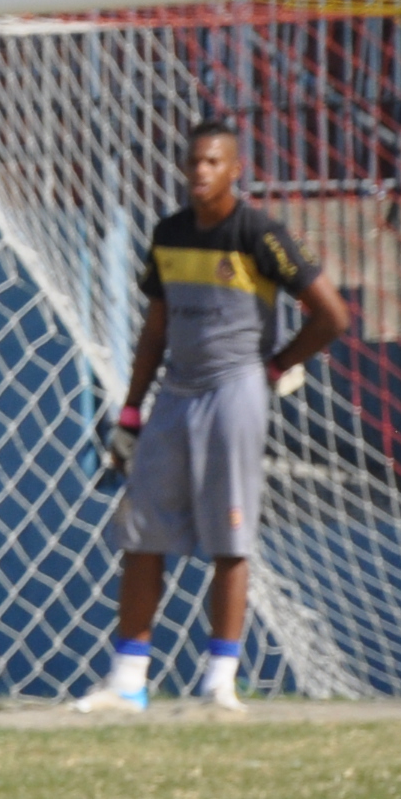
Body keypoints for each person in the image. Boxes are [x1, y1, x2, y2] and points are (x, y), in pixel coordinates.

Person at [75, 120, 349, 713]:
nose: (200, 171)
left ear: (235, 170)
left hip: (235, 393)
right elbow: (155, 331)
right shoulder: (169, 234)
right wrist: (131, 410)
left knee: (229, 539)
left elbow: (332, 315)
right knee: (140, 534)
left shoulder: (261, 234)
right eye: (194, 161)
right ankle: (127, 680)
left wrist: (276, 367)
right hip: (174, 395)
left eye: (213, 162)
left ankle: (220, 681)